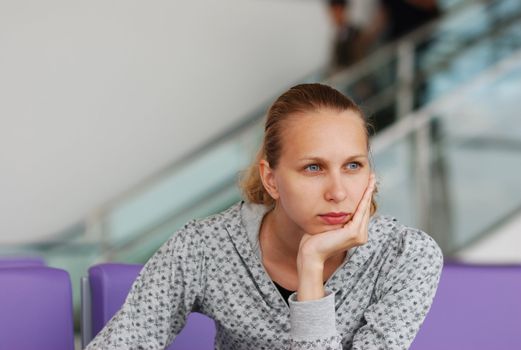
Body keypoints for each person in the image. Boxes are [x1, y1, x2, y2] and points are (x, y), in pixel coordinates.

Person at [86, 83, 443, 349]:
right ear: (271, 179)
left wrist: (311, 264)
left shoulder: (405, 256)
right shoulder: (206, 246)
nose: (337, 191)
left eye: (353, 165)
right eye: (313, 167)